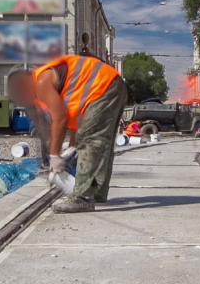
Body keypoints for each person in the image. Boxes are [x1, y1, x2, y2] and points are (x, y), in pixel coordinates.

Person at [7, 54, 128, 213]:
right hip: (110, 85)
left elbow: (60, 119)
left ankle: (83, 197)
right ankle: (97, 192)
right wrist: (72, 147)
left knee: (91, 140)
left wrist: (55, 156)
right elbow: (73, 117)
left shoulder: (41, 82)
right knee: (100, 142)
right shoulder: (51, 85)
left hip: (103, 86)